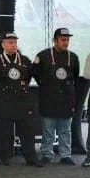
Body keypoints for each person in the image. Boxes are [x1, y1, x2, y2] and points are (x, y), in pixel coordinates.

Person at [0, 32, 42, 167]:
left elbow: (28, 78)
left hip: (22, 100)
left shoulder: (24, 60)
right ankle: (4, 157)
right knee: (3, 131)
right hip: (4, 101)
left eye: (15, 42)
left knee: (27, 131)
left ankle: (30, 158)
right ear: (3, 44)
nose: (13, 45)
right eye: (10, 42)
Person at [32, 27, 79, 166]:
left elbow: (75, 76)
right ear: (55, 40)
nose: (66, 42)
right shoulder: (43, 56)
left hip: (66, 100)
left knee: (65, 130)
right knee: (48, 130)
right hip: (49, 98)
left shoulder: (73, 57)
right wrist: (45, 84)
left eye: (67, 40)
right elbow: (35, 73)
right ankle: (46, 154)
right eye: (63, 40)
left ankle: (66, 155)